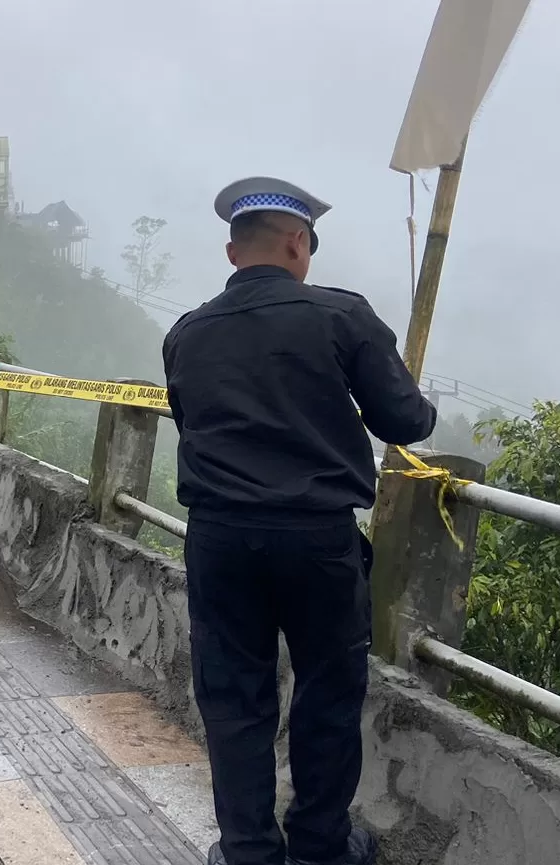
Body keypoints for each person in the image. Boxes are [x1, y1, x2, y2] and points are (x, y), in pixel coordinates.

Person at [161, 177, 436, 865]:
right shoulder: (341, 317)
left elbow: (193, 423)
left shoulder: (186, 334)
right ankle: (319, 846)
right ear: (297, 243)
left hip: (220, 539)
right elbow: (406, 421)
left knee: (233, 700)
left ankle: (248, 850)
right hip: (316, 540)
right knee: (327, 691)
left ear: (233, 252)